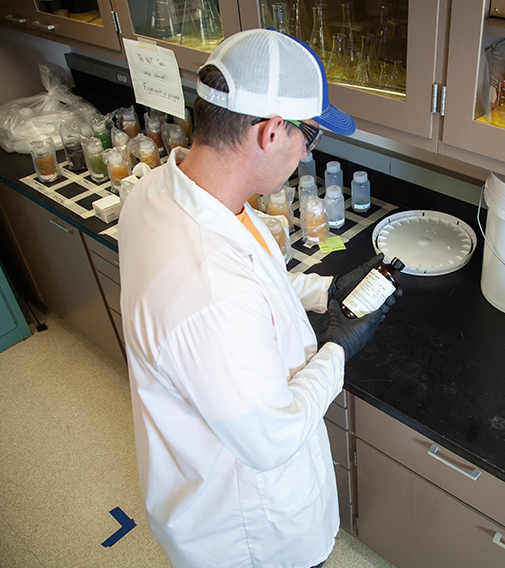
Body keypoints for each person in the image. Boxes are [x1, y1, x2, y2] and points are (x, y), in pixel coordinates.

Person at [118, 29, 398, 568]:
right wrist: (337, 349)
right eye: (309, 137)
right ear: (271, 132)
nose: (306, 151)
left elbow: (250, 278)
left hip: (202, 480)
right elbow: (271, 439)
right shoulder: (208, 288)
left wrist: (326, 290)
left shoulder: (161, 189)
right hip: (247, 533)